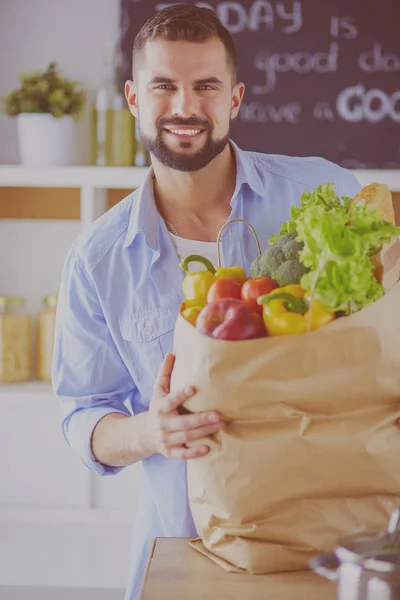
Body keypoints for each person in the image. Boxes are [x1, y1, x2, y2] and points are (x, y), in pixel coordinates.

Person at [52, 4, 362, 599]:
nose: (185, 107)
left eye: (207, 86)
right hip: (186, 544)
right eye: (164, 85)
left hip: (329, 537)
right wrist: (152, 432)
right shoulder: (97, 259)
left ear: (236, 98)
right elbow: (81, 417)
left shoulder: (326, 193)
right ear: (134, 98)